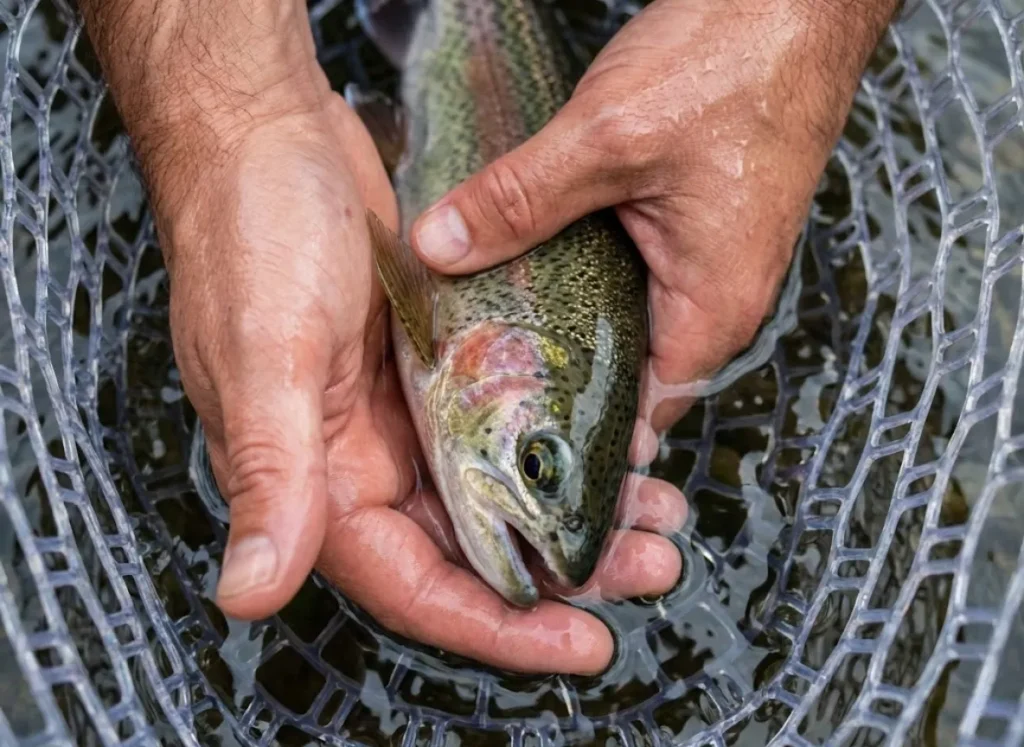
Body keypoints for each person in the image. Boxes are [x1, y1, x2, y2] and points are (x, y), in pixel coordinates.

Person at [78, 0, 899, 675]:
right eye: (537, 463)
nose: (543, 555)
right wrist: (230, 118)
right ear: (498, 359)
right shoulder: (445, 346)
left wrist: (800, 30)